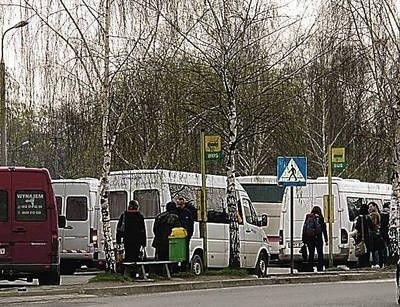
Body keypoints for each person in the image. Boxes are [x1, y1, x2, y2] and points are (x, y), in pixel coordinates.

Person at [302, 206, 328, 271]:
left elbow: (304, 228)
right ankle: (320, 267)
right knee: (320, 253)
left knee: (311, 254)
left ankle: (310, 268)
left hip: (310, 239)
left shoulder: (308, 217)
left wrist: (304, 239)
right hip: (318, 238)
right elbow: (324, 230)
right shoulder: (320, 218)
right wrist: (326, 239)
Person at [353, 203, 373, 268]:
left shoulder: (359, 218)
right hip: (368, 237)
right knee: (367, 251)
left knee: (361, 250)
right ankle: (366, 263)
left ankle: (360, 263)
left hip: (360, 237)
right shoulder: (368, 217)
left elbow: (357, 227)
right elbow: (372, 227)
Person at [176, 197, 194, 267]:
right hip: (176, 235)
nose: (179, 206)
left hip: (185, 235)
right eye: (178, 204)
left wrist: (189, 234)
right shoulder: (176, 212)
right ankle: (176, 266)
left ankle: (185, 266)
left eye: (181, 204)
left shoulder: (187, 212)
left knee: (185, 250)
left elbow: (191, 224)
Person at [368, 201, 385, 268]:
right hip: (377, 233)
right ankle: (380, 263)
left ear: (375, 206)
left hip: (374, 233)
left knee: (375, 249)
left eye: (371, 206)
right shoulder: (378, 214)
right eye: (369, 207)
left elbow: (373, 224)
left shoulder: (374, 214)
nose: (369, 208)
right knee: (378, 249)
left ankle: (376, 263)